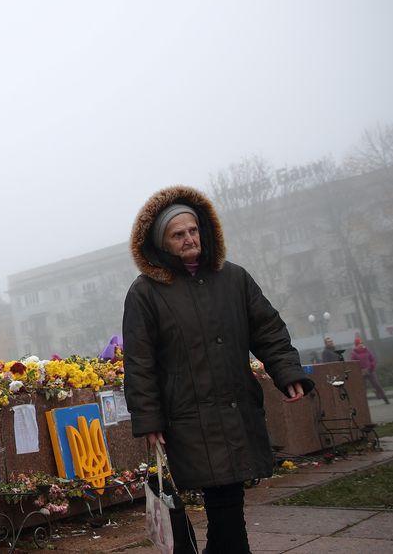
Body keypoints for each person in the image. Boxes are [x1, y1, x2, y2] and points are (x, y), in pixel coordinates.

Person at [123, 186, 313, 554]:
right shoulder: (145, 293)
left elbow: (268, 329)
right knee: (223, 496)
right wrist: (149, 420)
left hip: (235, 405)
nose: (189, 239)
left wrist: (287, 372)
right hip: (188, 414)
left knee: (227, 497)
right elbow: (139, 361)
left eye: (193, 230)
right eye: (178, 234)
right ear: (162, 243)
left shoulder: (234, 278)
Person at [350, 336, 390, 404]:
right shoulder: (354, 353)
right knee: (363, 388)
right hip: (361, 373)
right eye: (359, 343)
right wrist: (359, 370)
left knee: (377, 385)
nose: (361, 344)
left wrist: (371, 367)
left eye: (362, 343)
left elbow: (372, 360)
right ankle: (362, 403)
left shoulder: (367, 350)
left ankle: (385, 398)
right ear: (356, 345)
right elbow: (353, 364)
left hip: (370, 371)